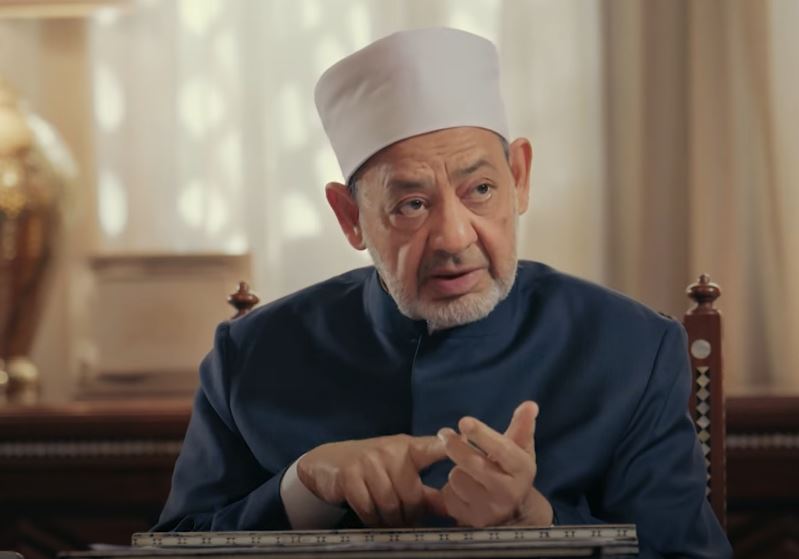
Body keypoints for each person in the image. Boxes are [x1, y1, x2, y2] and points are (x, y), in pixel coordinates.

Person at [155, 28, 732, 558]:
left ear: (519, 177)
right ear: (350, 216)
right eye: (412, 204)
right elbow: (174, 546)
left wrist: (538, 522)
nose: (455, 238)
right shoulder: (250, 357)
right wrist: (301, 489)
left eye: (480, 190)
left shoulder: (633, 351)